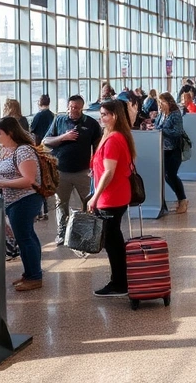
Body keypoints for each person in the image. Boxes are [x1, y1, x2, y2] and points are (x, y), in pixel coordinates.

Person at [88, 99, 135, 297]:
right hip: (116, 195)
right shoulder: (116, 136)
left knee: (112, 242)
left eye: (105, 114)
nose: (101, 118)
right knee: (114, 240)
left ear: (114, 116)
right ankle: (120, 280)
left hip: (110, 198)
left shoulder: (114, 139)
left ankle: (119, 283)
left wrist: (94, 197)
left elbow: (109, 172)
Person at [43, 95, 102, 246]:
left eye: (76, 107)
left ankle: (89, 232)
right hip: (62, 171)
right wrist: (64, 137)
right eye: (70, 107)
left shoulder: (91, 124)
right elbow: (47, 141)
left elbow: (97, 148)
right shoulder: (59, 120)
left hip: (83, 171)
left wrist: (95, 168)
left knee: (88, 201)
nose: (72, 110)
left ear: (82, 107)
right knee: (61, 204)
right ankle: (62, 233)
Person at [0, 117, 44, 292]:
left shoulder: (23, 151)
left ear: (10, 133)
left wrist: (4, 183)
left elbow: (28, 180)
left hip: (25, 199)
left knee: (24, 238)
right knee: (27, 236)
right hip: (13, 200)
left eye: (0, 133)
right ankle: (30, 273)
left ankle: (35, 276)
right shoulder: (5, 150)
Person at [157, 92, 188, 214]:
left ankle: (182, 199)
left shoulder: (175, 115)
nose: (159, 105)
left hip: (174, 149)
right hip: (162, 149)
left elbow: (177, 131)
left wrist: (162, 130)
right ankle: (180, 199)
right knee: (166, 176)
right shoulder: (162, 114)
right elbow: (157, 125)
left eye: (161, 102)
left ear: (168, 102)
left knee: (171, 175)